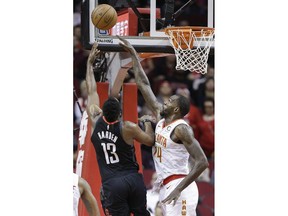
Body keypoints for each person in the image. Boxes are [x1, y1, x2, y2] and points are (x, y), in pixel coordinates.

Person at [118, 36, 209, 216]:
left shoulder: (181, 129)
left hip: (180, 186)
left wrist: (178, 189)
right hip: (165, 186)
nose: (165, 102)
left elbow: (203, 162)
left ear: (176, 108)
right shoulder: (161, 116)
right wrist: (134, 55)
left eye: (170, 101)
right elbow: (144, 85)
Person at [85, 42, 154, 215]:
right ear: (119, 114)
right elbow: (150, 140)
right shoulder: (128, 127)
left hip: (112, 183)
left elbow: (91, 90)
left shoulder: (95, 121)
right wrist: (146, 122)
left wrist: (89, 64)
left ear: (102, 112)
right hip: (132, 179)